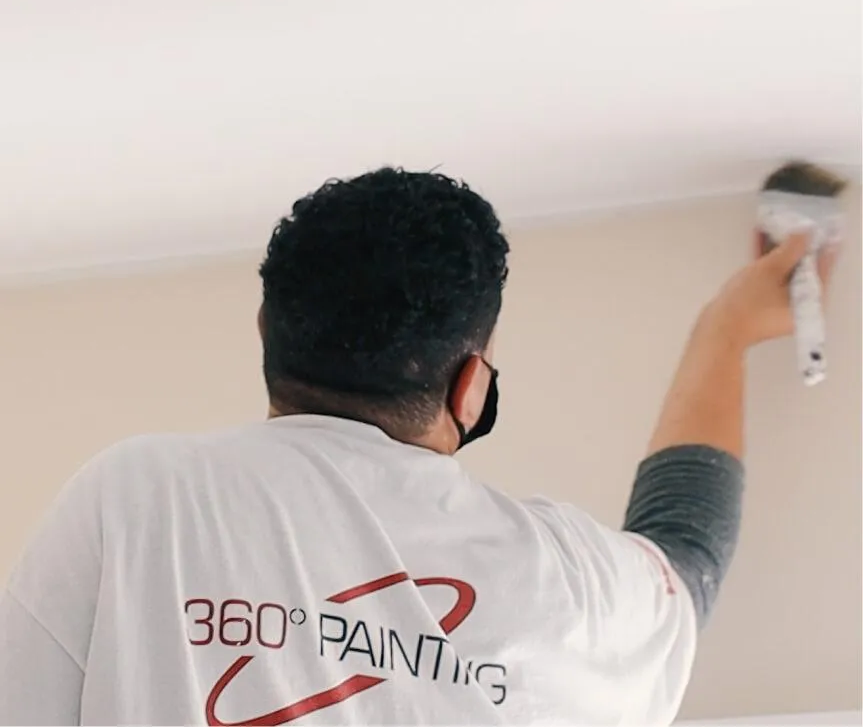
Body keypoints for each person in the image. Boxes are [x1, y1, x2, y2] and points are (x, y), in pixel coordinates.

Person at [0, 168, 837, 726]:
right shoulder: (560, 580)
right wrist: (724, 333)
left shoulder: (139, 495)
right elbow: (686, 554)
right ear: (470, 386)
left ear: (264, 330)